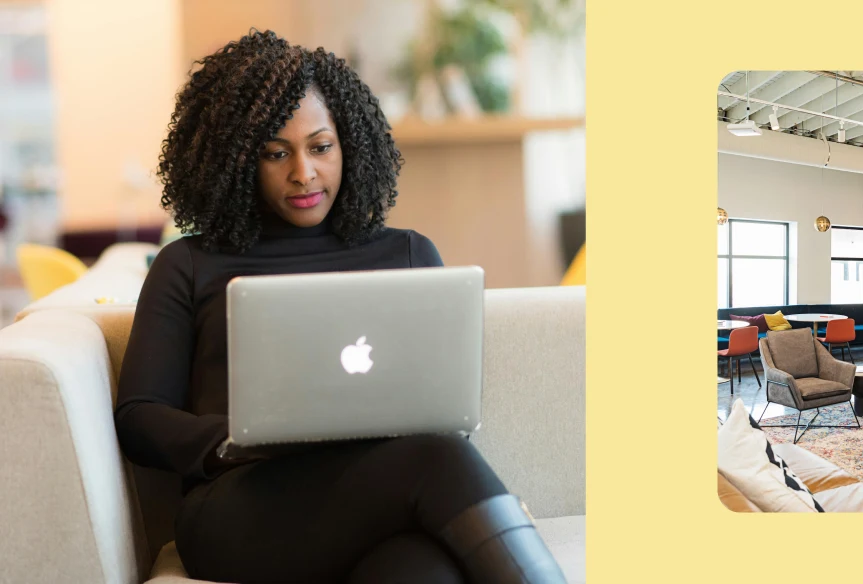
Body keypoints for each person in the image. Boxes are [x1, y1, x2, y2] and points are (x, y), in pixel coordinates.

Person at [114, 30, 565, 584]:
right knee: (438, 460)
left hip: (384, 497)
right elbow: (139, 417)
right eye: (275, 153)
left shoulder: (408, 253)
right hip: (242, 510)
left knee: (423, 568)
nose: (303, 173)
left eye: (320, 147)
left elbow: (442, 404)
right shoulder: (187, 264)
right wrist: (235, 441)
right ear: (233, 162)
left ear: (350, 144)